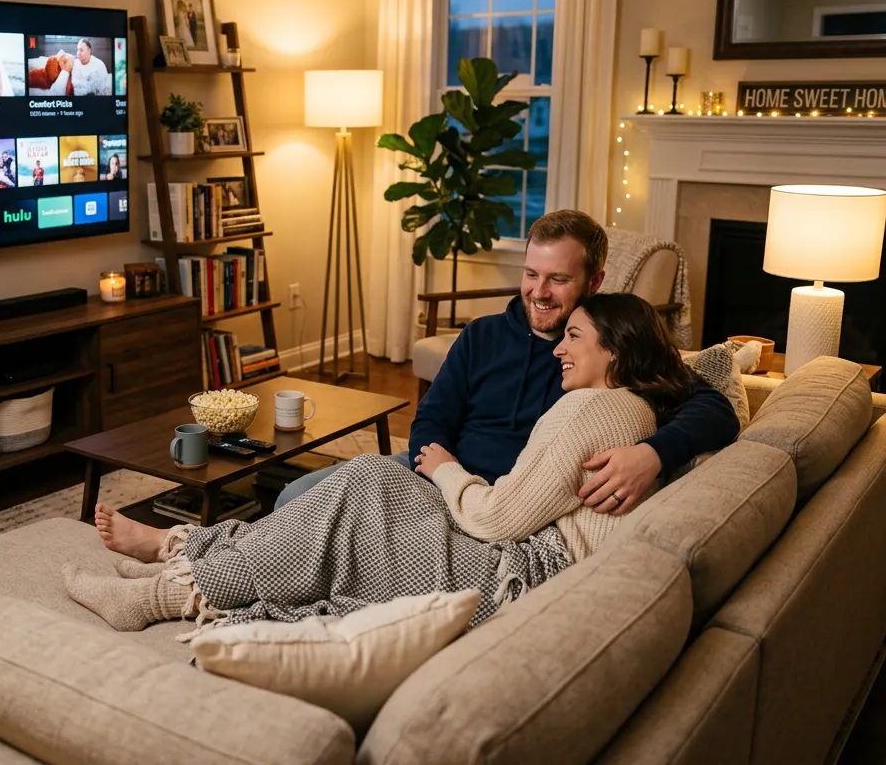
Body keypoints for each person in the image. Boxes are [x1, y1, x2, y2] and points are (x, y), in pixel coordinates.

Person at [65, 293, 698, 635]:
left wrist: (448, 471)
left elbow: (501, 517)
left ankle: (170, 585)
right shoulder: (613, 402)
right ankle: (185, 553)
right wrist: (440, 465)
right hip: (505, 535)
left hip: (518, 569)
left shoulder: (601, 410)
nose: (558, 346)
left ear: (616, 348)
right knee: (361, 483)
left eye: (575, 338)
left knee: (359, 492)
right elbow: (439, 427)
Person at [275, 210, 739, 514]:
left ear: (595, 281)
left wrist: (653, 454)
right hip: (441, 476)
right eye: (532, 274)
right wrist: (441, 474)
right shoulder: (483, 335)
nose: (539, 292)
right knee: (293, 497)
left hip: (508, 502)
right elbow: (432, 418)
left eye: (558, 279)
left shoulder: (611, 348)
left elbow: (716, 411)